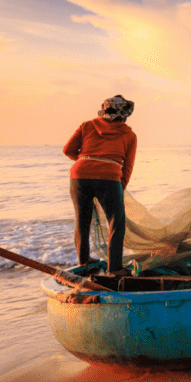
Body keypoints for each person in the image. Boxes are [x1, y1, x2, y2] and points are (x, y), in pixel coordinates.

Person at [63, 95, 137, 276]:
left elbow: (67, 150)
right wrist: (121, 186)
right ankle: (114, 268)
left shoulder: (86, 126)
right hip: (109, 178)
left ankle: (83, 261)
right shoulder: (129, 135)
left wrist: (85, 162)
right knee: (116, 223)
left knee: (82, 221)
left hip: (79, 176)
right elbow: (127, 167)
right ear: (125, 114)